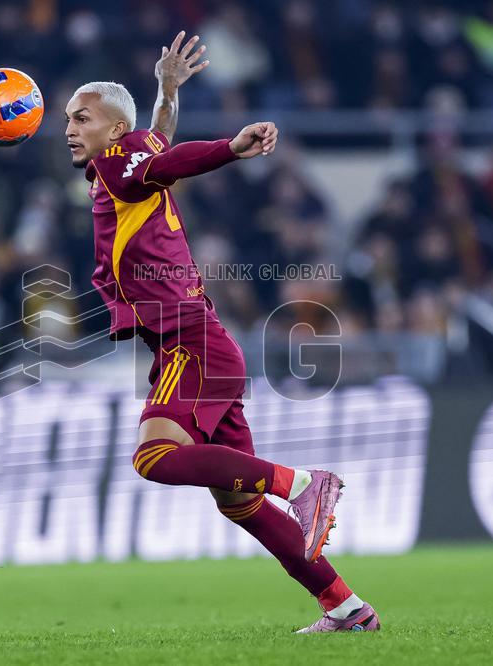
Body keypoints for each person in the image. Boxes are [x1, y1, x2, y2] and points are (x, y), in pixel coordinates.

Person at [63, 31, 379, 633]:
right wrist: (167, 91)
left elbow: (168, 158)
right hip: (197, 343)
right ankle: (346, 608)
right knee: (240, 498)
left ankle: (305, 483)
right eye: (68, 120)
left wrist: (230, 149)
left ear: (111, 129)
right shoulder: (127, 163)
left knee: (155, 457)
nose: (70, 128)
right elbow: (161, 144)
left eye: (83, 117)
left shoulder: (118, 164)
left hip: (192, 341)